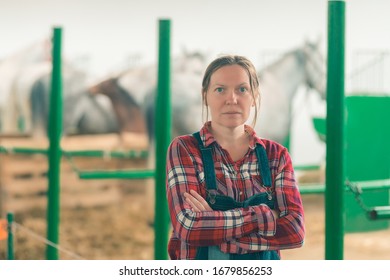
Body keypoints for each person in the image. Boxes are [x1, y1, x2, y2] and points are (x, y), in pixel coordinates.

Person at [165, 55, 305, 260]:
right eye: (220, 89)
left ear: (255, 96)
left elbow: (295, 231)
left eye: (242, 89)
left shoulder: (277, 156)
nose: (232, 99)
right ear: (205, 96)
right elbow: (189, 226)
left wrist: (216, 227)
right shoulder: (185, 149)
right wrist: (265, 214)